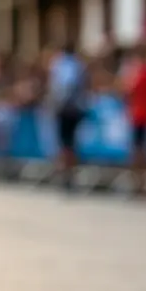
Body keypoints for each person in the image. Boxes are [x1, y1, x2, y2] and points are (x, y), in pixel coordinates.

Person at [47, 41, 88, 191]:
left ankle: (66, 176)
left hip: (66, 109)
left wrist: (60, 103)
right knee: (70, 143)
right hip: (74, 108)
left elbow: (67, 85)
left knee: (65, 143)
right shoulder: (78, 63)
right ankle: (68, 175)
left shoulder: (63, 64)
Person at [123, 43, 146, 196]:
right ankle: (139, 182)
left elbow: (128, 90)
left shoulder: (140, 72)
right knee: (140, 149)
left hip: (140, 115)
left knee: (139, 150)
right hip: (142, 115)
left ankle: (140, 183)